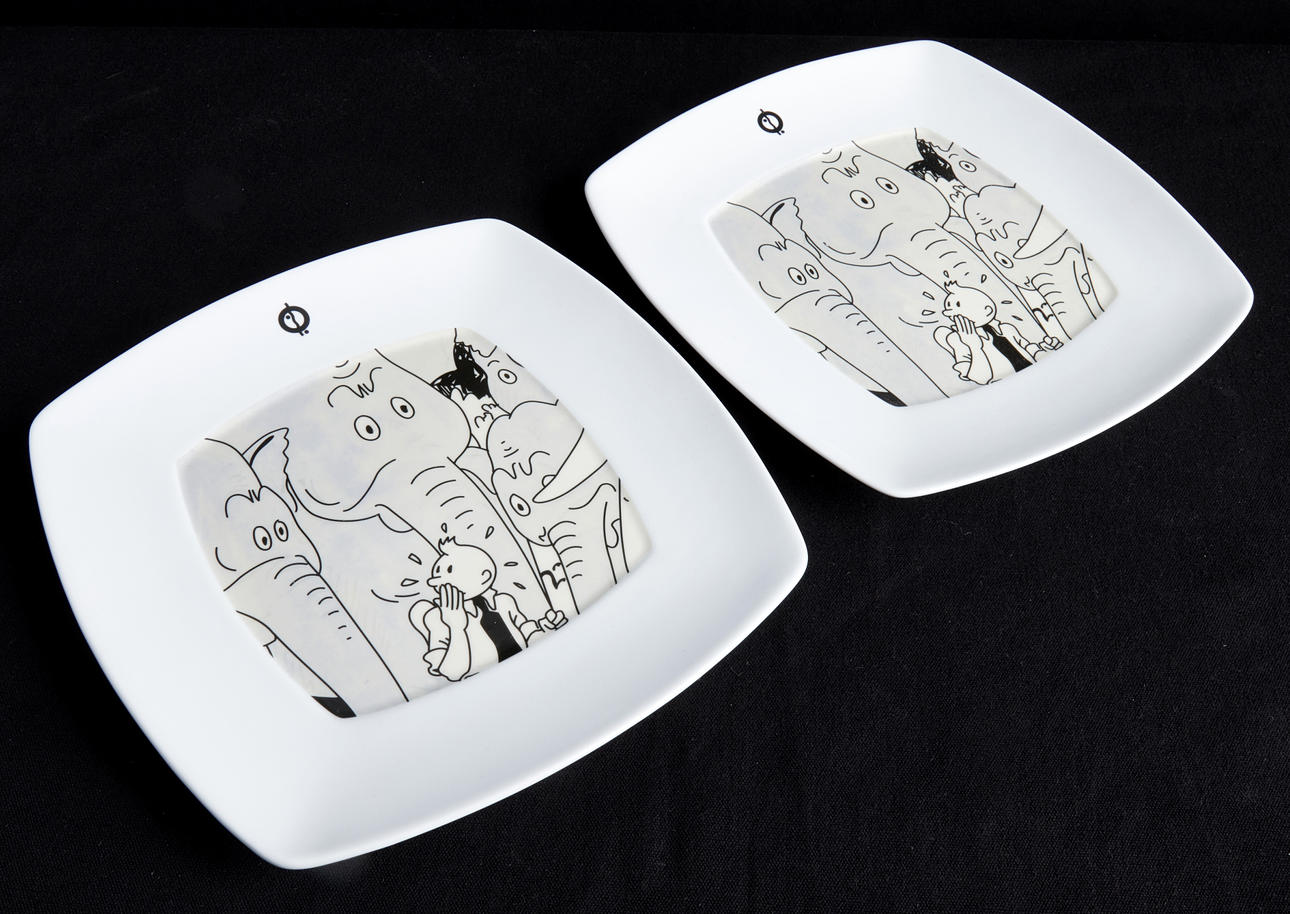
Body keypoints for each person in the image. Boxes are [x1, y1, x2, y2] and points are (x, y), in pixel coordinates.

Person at [409, 537, 566, 681]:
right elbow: (453, 673)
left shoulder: (503, 602)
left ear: (485, 576)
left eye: (449, 571)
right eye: (438, 573)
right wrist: (456, 627)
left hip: (533, 671)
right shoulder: (437, 618)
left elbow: (525, 632)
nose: (436, 581)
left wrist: (546, 627)